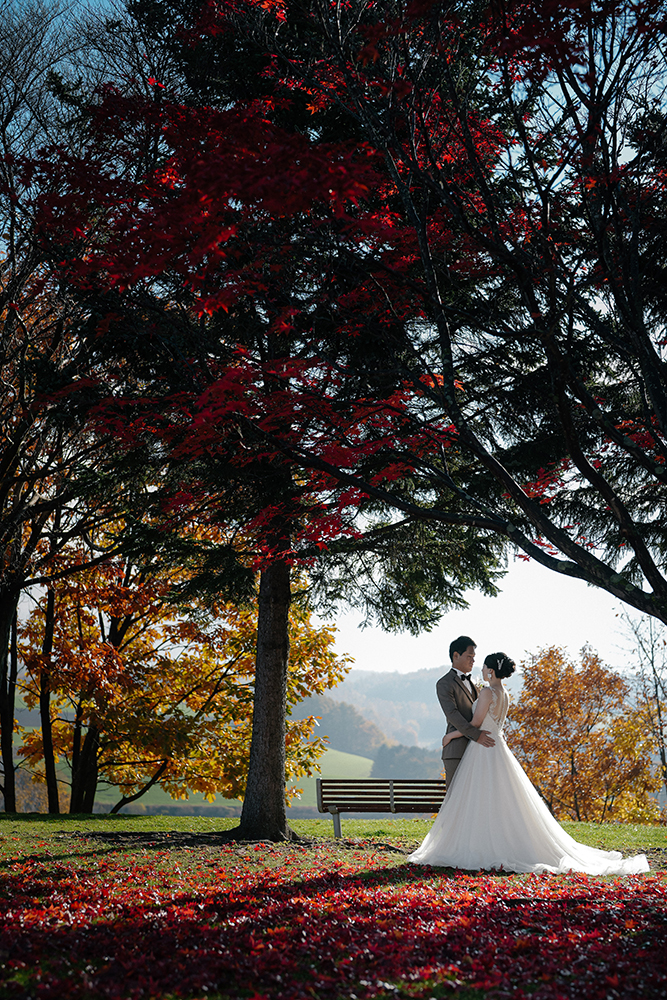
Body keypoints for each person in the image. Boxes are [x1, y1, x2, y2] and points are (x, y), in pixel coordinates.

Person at [410, 651, 649, 874]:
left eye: (484, 666)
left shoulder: (486, 692)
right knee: (502, 798)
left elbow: (475, 724)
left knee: (481, 797)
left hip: (483, 748)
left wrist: (450, 735)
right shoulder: (504, 694)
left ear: (491, 671)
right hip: (499, 747)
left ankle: (483, 843)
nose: (481, 669)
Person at [436, 636, 495, 790]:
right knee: (455, 800)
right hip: (457, 750)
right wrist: (477, 734)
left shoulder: (475, 684)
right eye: (469, 656)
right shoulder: (444, 683)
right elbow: (453, 714)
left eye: (474, 657)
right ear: (456, 655)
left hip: (478, 749)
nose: (473, 661)